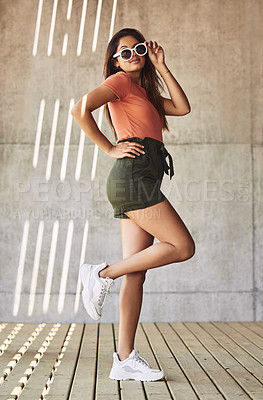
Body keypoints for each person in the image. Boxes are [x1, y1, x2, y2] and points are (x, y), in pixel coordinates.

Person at [71, 27, 195, 382]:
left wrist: (161, 65)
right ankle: (101, 273)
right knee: (183, 246)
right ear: (114, 60)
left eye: (138, 48)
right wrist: (109, 147)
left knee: (136, 273)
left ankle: (124, 359)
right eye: (124, 52)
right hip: (133, 178)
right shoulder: (120, 83)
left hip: (142, 178)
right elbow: (80, 109)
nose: (133, 54)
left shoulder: (144, 92)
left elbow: (183, 108)